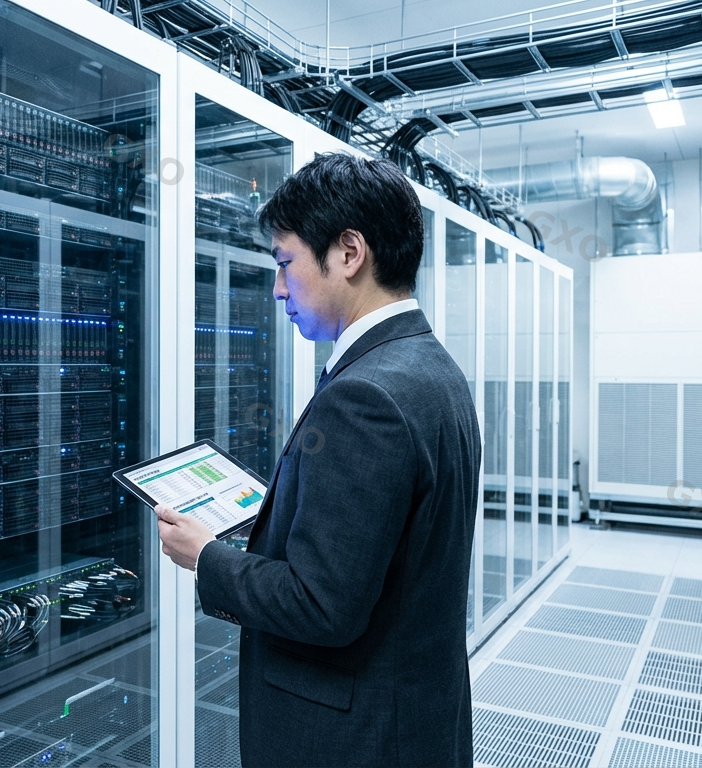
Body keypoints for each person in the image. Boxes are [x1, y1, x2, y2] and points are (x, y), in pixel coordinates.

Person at [155, 153, 481, 767]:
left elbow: (321, 604)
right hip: (413, 720)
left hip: (351, 739)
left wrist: (207, 557)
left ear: (349, 253)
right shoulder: (432, 368)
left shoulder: (365, 396)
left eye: (285, 263)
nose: (278, 287)